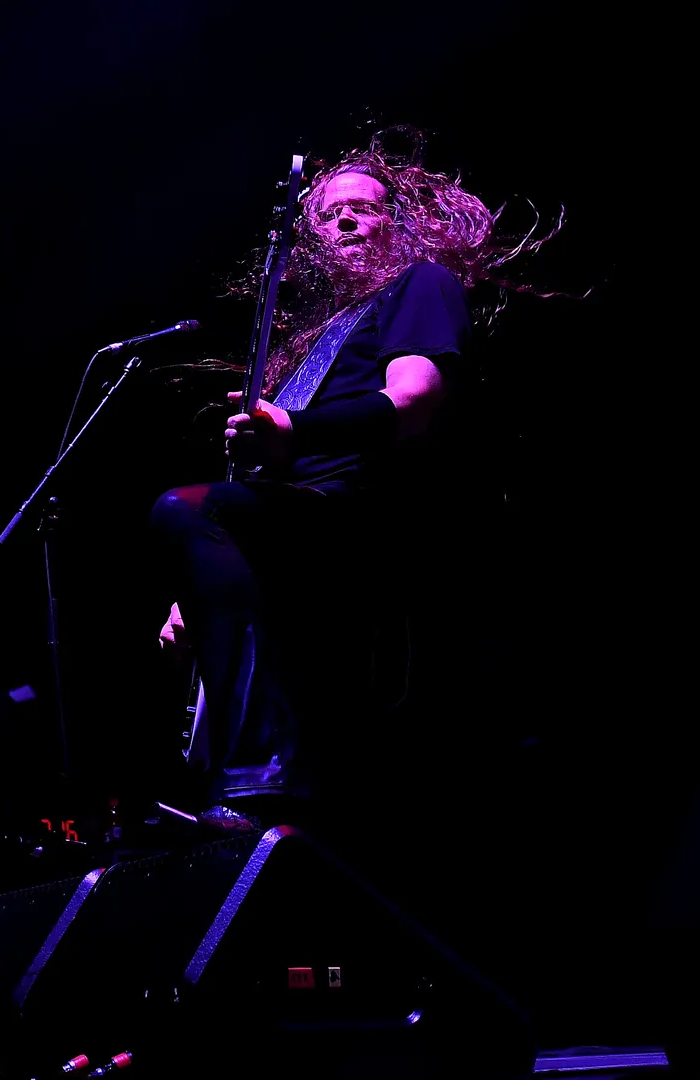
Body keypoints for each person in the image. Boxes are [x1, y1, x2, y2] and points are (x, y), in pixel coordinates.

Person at [151, 131, 558, 831]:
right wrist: (198, 581)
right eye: (329, 213)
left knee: (182, 506)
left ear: (395, 222)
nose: (343, 221)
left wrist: (294, 431)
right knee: (190, 516)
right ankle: (235, 785)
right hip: (296, 515)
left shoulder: (420, 283)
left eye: (362, 209)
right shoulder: (318, 337)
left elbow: (414, 401)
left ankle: (258, 774)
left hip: (360, 513)